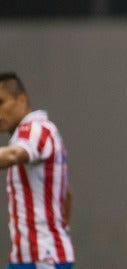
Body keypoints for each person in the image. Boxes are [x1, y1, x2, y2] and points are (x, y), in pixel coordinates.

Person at [0, 72, 75, 268]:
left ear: (22, 100)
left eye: (1, 103)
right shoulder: (37, 132)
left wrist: (48, 238)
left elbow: (12, 156)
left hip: (43, 258)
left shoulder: (34, 129)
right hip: (26, 258)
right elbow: (67, 195)